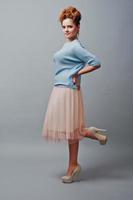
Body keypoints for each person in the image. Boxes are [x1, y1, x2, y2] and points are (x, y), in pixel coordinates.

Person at [41, 6, 108, 183]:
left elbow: (96, 62)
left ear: (78, 27)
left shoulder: (76, 46)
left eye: (69, 27)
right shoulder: (67, 44)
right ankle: (88, 139)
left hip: (68, 91)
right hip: (60, 89)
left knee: (72, 131)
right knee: (71, 131)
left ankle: (73, 166)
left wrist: (77, 74)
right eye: (63, 27)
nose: (66, 30)